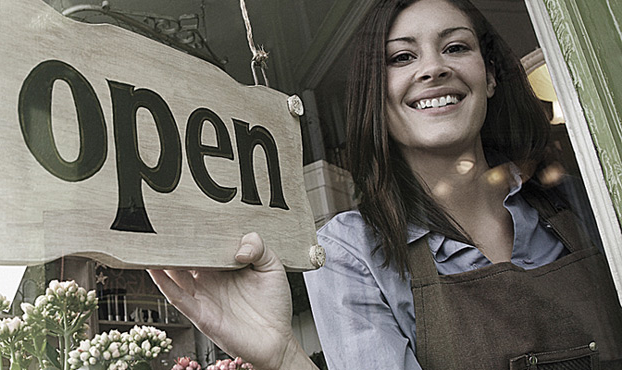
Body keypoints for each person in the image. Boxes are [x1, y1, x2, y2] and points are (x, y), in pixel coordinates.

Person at [149, 0, 622, 369]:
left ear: (491, 76)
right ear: (377, 94)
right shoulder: (352, 251)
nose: (433, 68)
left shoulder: (586, 198)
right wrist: (284, 359)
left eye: (456, 47)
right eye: (401, 57)